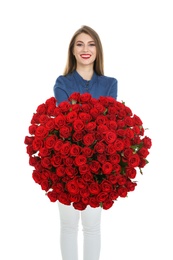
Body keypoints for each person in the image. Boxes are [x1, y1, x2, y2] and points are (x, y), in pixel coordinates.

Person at [53, 25, 118, 260]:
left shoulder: (110, 83)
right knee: (69, 226)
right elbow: (66, 121)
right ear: (72, 50)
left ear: (97, 50)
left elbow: (108, 122)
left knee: (92, 226)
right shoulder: (62, 83)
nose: (85, 49)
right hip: (65, 163)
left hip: (99, 165)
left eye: (91, 44)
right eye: (79, 44)